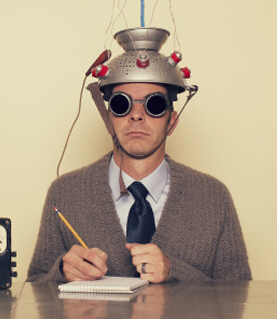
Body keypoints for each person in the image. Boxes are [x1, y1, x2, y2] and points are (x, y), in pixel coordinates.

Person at [26, 27, 251, 283]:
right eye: (122, 104)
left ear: (172, 122)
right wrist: (62, 273)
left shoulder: (213, 197)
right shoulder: (65, 192)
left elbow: (240, 299)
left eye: (154, 105)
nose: (136, 115)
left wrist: (174, 271)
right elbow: (34, 292)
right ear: (109, 118)